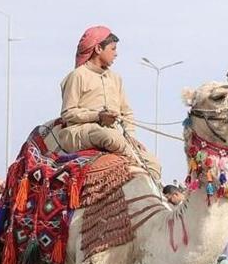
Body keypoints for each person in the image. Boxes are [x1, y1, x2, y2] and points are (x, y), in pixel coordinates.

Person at [51, 26, 159, 178]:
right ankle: (138, 167)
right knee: (109, 136)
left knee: (153, 162)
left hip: (114, 135)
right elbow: (68, 113)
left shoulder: (115, 78)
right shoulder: (78, 76)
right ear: (98, 49)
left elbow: (126, 112)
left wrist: (131, 137)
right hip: (79, 132)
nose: (116, 54)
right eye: (113, 49)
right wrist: (98, 116)